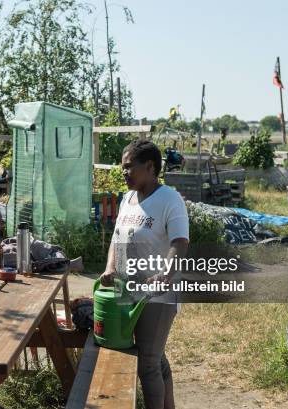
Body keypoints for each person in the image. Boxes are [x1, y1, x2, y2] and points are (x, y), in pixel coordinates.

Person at [100, 139, 189, 409]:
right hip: (127, 290)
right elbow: (117, 238)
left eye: (129, 167)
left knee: (147, 363)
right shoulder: (128, 198)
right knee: (155, 357)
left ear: (150, 167)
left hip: (156, 296)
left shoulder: (169, 199)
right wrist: (110, 267)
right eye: (122, 168)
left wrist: (165, 274)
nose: (124, 173)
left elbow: (180, 242)